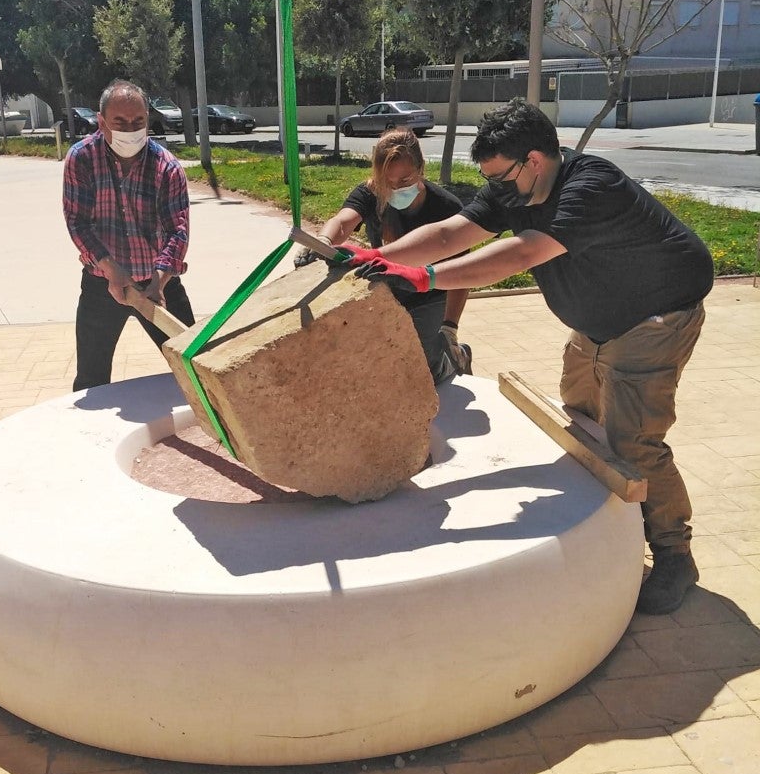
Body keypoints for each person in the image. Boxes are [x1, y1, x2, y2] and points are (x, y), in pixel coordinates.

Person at [337, 99, 714, 616]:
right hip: (597, 323)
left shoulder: (589, 187)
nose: (497, 187)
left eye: (502, 174)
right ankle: (607, 516)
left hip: (656, 318)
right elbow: (451, 235)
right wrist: (376, 258)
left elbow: (518, 255)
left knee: (634, 441)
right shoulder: (513, 185)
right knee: (581, 413)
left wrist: (426, 277)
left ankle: (674, 553)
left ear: (535, 160)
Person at [294, 127, 472, 385]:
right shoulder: (370, 193)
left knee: (425, 372)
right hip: (386, 286)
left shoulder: (447, 208)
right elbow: (343, 222)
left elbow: (461, 273)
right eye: (387, 182)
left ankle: (457, 359)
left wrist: (450, 327)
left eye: (405, 181)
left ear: (421, 169)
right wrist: (322, 241)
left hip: (431, 293)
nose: (396, 188)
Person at [63, 79, 194, 391]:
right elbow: (78, 223)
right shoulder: (81, 158)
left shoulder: (167, 166)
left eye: (138, 121)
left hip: (159, 286)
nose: (129, 129)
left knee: (195, 366)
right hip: (101, 286)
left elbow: (178, 230)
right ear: (101, 121)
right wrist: (112, 270)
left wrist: (158, 281)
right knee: (91, 382)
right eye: (119, 122)